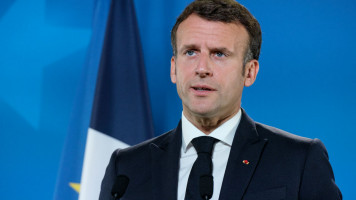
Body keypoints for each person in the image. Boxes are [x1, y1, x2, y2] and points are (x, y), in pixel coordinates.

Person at [99, 0, 342, 199]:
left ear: (250, 72)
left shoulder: (299, 160)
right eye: (191, 52)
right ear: (174, 68)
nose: (202, 68)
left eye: (219, 54)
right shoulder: (127, 169)